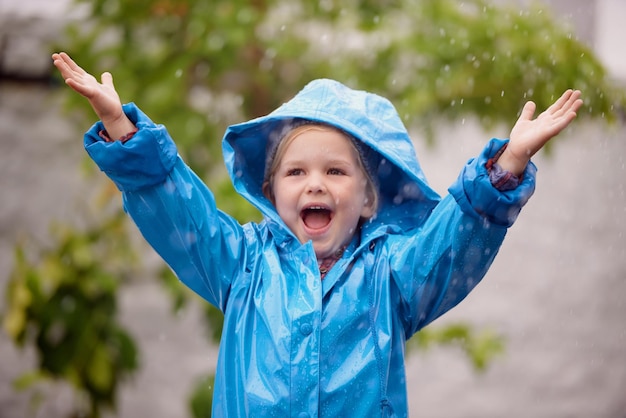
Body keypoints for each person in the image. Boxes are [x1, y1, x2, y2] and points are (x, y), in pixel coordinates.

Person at [52, 51, 582, 417]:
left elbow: (452, 239)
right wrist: (123, 132)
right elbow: (179, 212)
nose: (316, 185)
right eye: (297, 172)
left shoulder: (392, 277)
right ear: (272, 191)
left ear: (368, 198)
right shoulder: (242, 265)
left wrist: (508, 163)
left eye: (335, 171)